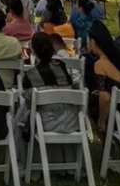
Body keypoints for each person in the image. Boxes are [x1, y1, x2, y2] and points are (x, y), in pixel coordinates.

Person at [21, 32, 78, 167]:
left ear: (33, 51)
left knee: (22, 114)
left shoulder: (30, 76)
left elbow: (30, 106)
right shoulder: (62, 67)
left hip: (45, 123)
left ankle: (30, 160)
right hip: (71, 120)